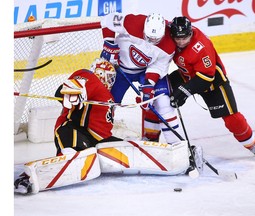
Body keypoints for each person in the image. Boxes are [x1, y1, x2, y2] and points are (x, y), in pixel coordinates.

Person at [14, 58, 122, 193]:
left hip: (96, 139)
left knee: (122, 146)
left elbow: (103, 130)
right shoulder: (89, 76)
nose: (110, 82)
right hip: (73, 129)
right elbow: (61, 91)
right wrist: (75, 91)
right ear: (100, 73)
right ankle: (30, 177)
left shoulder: (108, 98)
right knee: (72, 155)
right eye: (109, 77)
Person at [168, 16, 255, 159]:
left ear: (190, 33)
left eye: (184, 38)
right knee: (159, 93)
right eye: (177, 38)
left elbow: (206, 77)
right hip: (185, 75)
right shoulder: (171, 33)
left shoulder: (201, 46)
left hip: (212, 83)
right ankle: (150, 138)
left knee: (232, 118)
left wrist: (184, 92)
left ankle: (253, 144)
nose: (180, 42)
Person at [99, 12, 181, 144]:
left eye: (155, 39)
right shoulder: (132, 22)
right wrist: (108, 43)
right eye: (148, 37)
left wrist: (149, 83)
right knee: (106, 104)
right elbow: (107, 19)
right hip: (119, 69)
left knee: (162, 103)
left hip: (145, 71)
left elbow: (158, 66)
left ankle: (175, 145)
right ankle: (99, 138)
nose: (151, 41)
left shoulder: (169, 45)